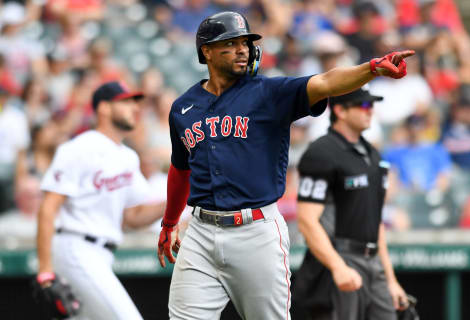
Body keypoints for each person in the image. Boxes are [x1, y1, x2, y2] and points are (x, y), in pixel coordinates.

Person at [157, 11, 414, 320]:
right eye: (230, 43)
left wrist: (370, 69)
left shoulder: (269, 93)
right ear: (206, 52)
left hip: (255, 231)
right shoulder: (183, 107)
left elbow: (327, 81)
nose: (242, 50)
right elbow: (180, 169)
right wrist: (170, 222)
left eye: (245, 43)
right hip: (199, 231)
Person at [36, 81, 165, 320]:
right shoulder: (79, 148)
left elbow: (132, 217)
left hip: (103, 254)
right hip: (76, 248)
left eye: (135, 102)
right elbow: (48, 208)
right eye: (126, 102)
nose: (134, 108)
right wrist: (45, 271)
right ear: (104, 108)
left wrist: (174, 202)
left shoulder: (127, 156)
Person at [295, 87, 409, 320]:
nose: (370, 111)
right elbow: (307, 220)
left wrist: (391, 280)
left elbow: (375, 222)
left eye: (372, 106)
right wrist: (337, 267)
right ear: (340, 110)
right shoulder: (322, 152)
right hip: (339, 257)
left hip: (372, 261)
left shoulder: (372, 154)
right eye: (363, 105)